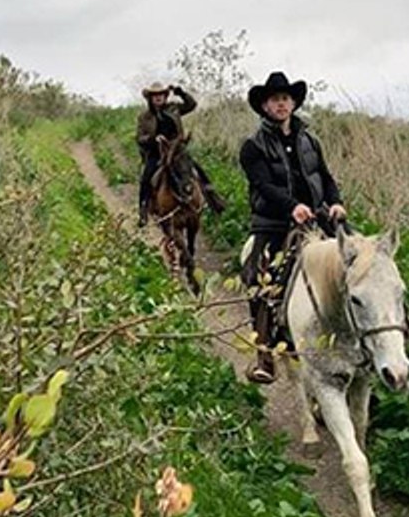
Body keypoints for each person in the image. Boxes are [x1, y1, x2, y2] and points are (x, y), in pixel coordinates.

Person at [239, 71, 347, 384]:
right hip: (273, 223)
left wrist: (335, 202)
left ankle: (375, 338)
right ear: (265, 106)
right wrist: (292, 207)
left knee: (362, 259)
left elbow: (325, 177)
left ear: (294, 102)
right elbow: (262, 184)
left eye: (286, 98)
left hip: (317, 217)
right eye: (275, 99)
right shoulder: (253, 146)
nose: (281, 104)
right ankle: (264, 355)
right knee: (260, 279)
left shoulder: (309, 140)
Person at [135, 81, 225, 226]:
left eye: (161, 95)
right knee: (146, 178)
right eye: (155, 96)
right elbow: (140, 138)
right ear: (150, 98)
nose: (158, 98)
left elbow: (191, 104)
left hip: (177, 149)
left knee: (196, 169)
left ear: (165, 96)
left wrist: (180, 92)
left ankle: (213, 199)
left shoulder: (174, 109)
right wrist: (153, 139)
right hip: (156, 152)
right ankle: (143, 210)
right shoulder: (144, 117)